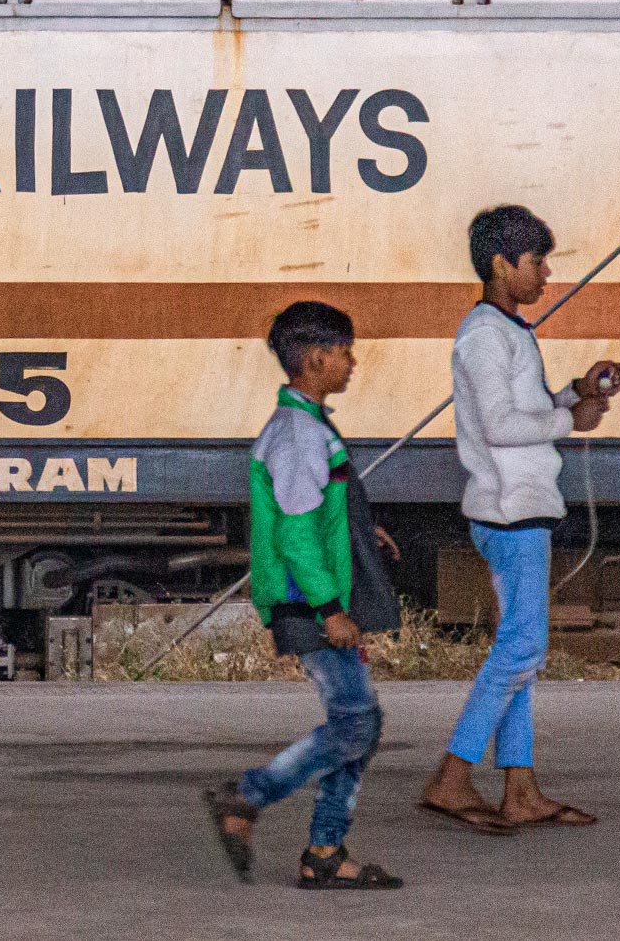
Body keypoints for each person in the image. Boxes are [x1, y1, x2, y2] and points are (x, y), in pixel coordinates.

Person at [420, 205, 620, 835]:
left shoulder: (506, 330)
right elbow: (498, 426)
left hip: (520, 508)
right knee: (524, 647)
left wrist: (573, 392)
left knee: (520, 655)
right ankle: (452, 776)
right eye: (536, 261)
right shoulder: (484, 335)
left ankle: (521, 788)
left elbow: (523, 407)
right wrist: (571, 421)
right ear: (500, 263)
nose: (546, 274)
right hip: (510, 513)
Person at [205, 301, 404, 889]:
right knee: (356, 724)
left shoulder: (307, 425)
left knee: (358, 724)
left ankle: (324, 852)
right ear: (316, 358)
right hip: (308, 603)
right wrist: (330, 609)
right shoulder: (297, 434)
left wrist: (358, 532)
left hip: (315, 597)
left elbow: (318, 510)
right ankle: (246, 797)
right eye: (344, 351)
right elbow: (293, 533)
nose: (352, 362)